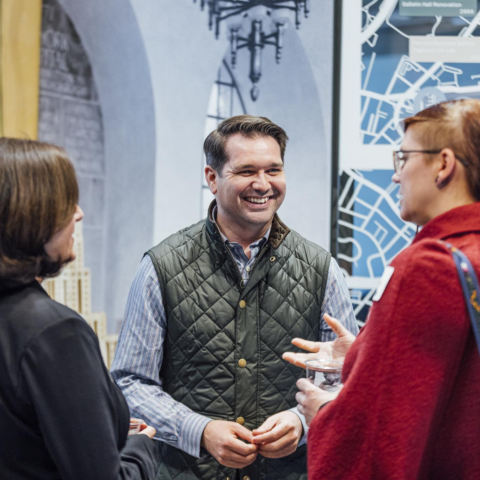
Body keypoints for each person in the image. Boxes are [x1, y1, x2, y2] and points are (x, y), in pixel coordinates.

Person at [111, 115, 358, 479]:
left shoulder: (323, 270)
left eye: (273, 170)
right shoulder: (160, 267)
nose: (263, 184)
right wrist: (200, 430)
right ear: (212, 178)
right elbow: (130, 383)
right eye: (246, 171)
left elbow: (345, 378)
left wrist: (301, 422)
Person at [286, 99, 480, 479]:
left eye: (403, 158)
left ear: (443, 164)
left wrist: (323, 413)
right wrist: (360, 355)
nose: (396, 176)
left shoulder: (425, 267)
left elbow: (377, 436)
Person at [0, 138, 157, 479]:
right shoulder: (54, 333)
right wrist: (141, 448)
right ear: (32, 216)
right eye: (67, 203)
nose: (79, 214)